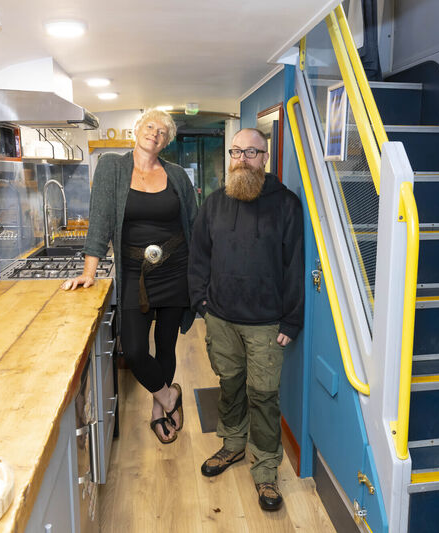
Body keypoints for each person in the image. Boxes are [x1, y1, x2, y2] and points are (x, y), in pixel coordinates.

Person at [62, 108, 198, 445]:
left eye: (163, 132)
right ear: (137, 130)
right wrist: (89, 272)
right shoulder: (112, 167)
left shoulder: (177, 175)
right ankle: (170, 397)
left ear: (167, 141)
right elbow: (100, 222)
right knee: (134, 350)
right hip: (136, 273)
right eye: (150, 126)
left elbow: (194, 225)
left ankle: (157, 411)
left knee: (166, 345)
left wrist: (201, 274)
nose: (155, 133)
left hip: (175, 269)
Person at [188, 128, 304, 511]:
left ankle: (266, 469)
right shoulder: (215, 203)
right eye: (236, 151)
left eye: (251, 152)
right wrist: (201, 302)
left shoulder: (286, 205)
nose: (242, 159)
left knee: (264, 396)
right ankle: (233, 444)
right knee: (230, 385)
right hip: (221, 319)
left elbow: (295, 266)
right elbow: (198, 256)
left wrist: (291, 321)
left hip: (266, 323)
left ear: (265, 158)